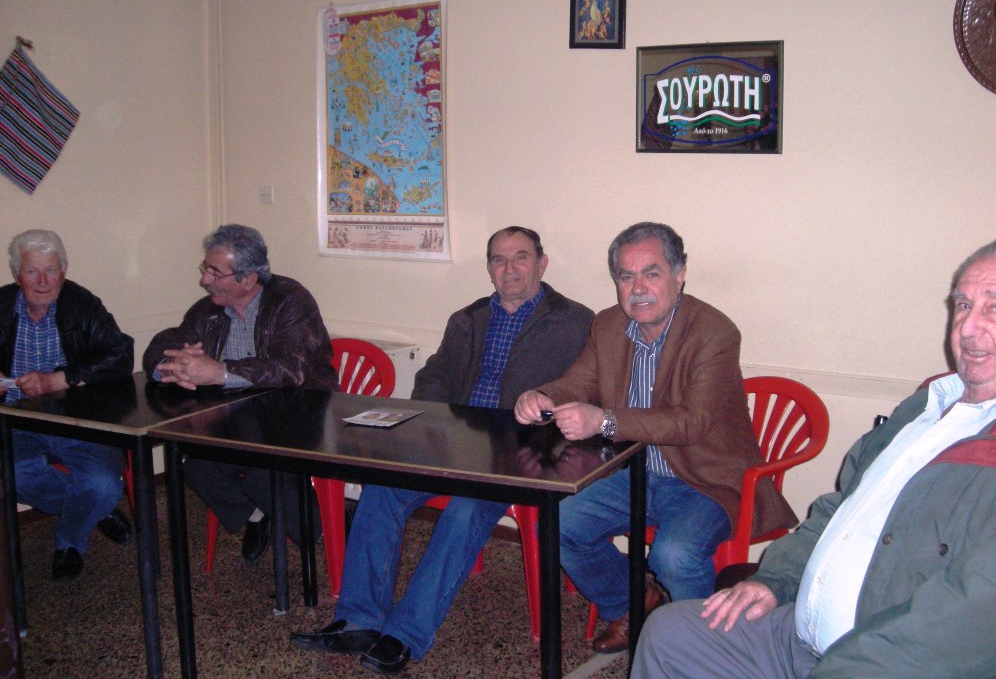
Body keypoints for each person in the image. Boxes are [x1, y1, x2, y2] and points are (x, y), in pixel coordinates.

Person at [631, 237, 996, 679]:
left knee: (676, 552)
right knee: (668, 633)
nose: (968, 327)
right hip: (800, 636)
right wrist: (776, 579)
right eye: (963, 305)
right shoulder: (924, 406)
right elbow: (839, 508)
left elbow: (969, 629)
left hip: (875, 662)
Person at [291, 226, 595, 674]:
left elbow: (587, 389)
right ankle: (359, 618)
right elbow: (434, 376)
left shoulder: (576, 321)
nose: (509, 268)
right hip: (457, 443)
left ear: (542, 263)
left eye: (521, 257)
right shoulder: (468, 319)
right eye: (498, 259)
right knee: (382, 488)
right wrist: (428, 424)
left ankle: (407, 634)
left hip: (524, 452)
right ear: (489, 267)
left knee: (466, 510)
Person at [514, 221, 795, 654]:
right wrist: (542, 396)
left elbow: (692, 422)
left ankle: (704, 649)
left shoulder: (714, 332)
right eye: (626, 276)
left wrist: (605, 421)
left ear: (679, 275)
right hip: (634, 474)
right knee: (559, 526)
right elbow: (578, 383)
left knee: (674, 555)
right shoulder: (608, 325)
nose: (638, 289)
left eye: (652, 273)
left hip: (705, 479)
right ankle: (632, 604)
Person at [142, 224, 336, 562]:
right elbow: (165, 343)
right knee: (198, 468)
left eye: (214, 272)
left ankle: (326, 527)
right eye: (205, 268)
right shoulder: (209, 310)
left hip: (297, 413)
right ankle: (258, 515)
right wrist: (169, 367)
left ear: (248, 279)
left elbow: (292, 369)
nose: (204, 279)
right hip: (235, 420)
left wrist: (219, 372)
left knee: (263, 475)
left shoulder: (291, 301)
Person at [0, 229, 135, 580]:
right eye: (32, 271)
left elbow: (120, 355)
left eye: (51, 270)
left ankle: (70, 541)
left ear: (63, 271)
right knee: (14, 475)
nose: (43, 281)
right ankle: (96, 511)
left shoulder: (82, 304)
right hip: (17, 421)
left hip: (78, 418)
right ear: (16, 274)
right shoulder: (1, 306)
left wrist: (57, 380)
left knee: (102, 485)